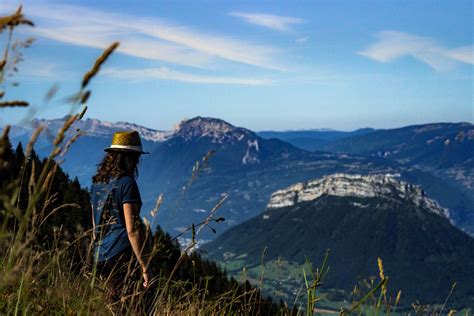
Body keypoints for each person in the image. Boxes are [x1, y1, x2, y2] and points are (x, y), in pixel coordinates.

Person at [90, 130, 152, 302]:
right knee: (139, 305)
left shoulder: (97, 183)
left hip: (101, 254)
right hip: (121, 253)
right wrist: (144, 266)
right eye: (136, 157)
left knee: (115, 304)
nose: (138, 162)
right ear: (129, 158)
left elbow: (96, 226)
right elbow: (132, 230)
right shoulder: (127, 183)